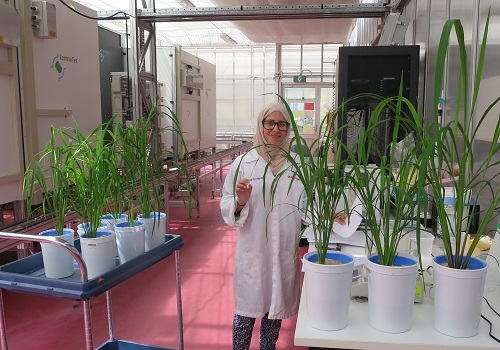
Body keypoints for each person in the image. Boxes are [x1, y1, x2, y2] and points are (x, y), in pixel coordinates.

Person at [220, 102, 307, 350]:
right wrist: (240, 202)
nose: (275, 129)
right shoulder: (244, 163)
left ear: (288, 128)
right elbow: (227, 204)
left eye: (282, 124)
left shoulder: (298, 165)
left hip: (284, 251)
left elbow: (308, 207)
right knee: (245, 313)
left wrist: (331, 215)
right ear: (260, 125)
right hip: (253, 250)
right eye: (270, 123)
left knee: (274, 312)